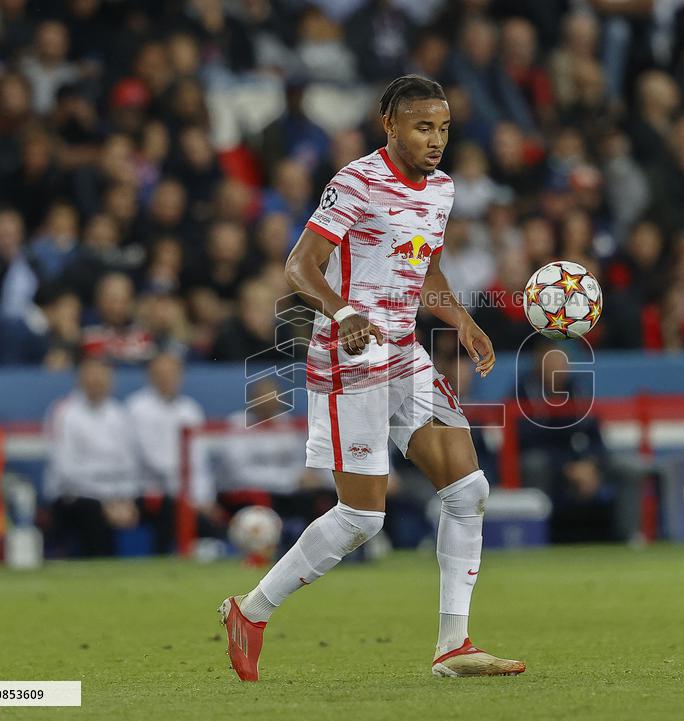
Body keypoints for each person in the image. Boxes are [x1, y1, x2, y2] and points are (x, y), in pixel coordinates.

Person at [219, 75, 525, 681]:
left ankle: (453, 646)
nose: (435, 140)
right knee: (362, 519)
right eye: (422, 126)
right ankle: (250, 611)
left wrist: (461, 318)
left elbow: (425, 269)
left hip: (404, 353)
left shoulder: (440, 189)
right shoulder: (357, 182)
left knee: (468, 491)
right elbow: (299, 266)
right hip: (346, 355)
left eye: (443, 128)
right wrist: (345, 311)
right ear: (390, 124)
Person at [44, 358, 140, 557]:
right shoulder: (65, 413)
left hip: (114, 496)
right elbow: (67, 471)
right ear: (80, 381)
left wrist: (125, 499)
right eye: (92, 378)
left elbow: (129, 465)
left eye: (102, 379)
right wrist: (107, 500)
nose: (97, 383)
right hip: (71, 496)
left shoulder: (119, 414)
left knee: (159, 505)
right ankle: (99, 566)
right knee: (92, 510)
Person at [125, 353, 206, 553]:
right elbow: (154, 461)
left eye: (173, 373)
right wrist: (189, 498)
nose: (168, 379)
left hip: (185, 493)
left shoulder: (190, 409)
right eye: (161, 374)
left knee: (211, 521)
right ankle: (163, 558)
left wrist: (204, 498)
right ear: (150, 377)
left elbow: (200, 462)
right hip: (146, 491)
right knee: (170, 509)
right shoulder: (137, 408)